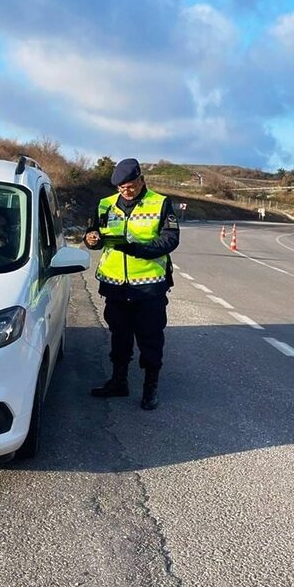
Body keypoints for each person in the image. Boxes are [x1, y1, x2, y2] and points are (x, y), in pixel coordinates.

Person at [84, 158, 179, 410]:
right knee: (119, 336)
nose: (126, 191)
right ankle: (119, 382)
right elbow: (94, 234)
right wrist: (91, 239)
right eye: (121, 187)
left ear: (141, 179)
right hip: (115, 285)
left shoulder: (159, 203)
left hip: (149, 287)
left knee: (150, 338)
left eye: (130, 185)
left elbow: (170, 240)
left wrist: (138, 249)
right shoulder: (105, 205)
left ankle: (150, 388)